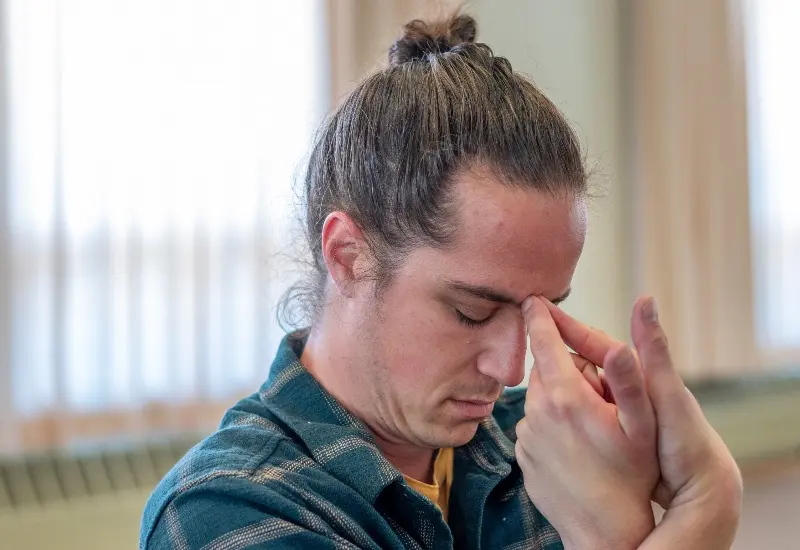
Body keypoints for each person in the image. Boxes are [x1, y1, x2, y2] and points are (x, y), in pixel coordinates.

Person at [140, 14, 742, 549]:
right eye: (472, 312)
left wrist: (698, 482)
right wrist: (688, 513)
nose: (511, 370)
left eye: (542, 313)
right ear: (349, 255)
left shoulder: (548, 450)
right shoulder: (226, 510)